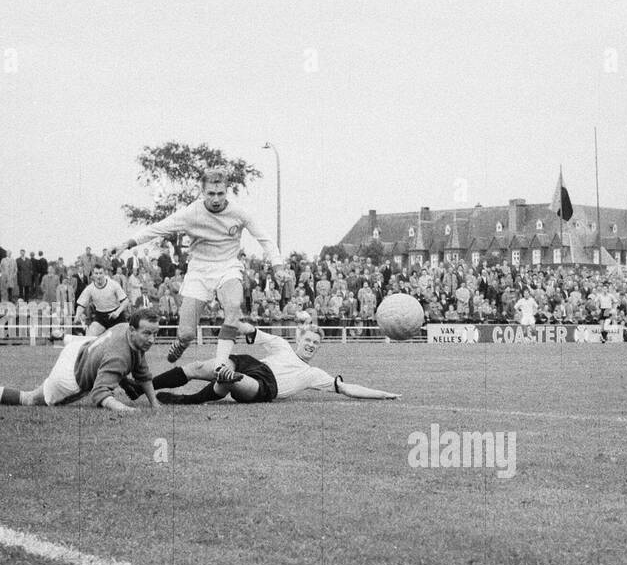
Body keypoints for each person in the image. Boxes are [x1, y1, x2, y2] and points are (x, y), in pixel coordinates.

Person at [107, 170, 281, 384]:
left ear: (226, 191)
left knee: (234, 307)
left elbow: (265, 239)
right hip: (199, 271)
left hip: (228, 266)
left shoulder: (239, 213)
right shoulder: (191, 213)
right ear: (202, 192)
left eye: (220, 193)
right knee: (187, 334)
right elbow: (158, 229)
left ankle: (220, 365)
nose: (216, 199)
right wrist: (128, 243)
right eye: (210, 194)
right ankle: (181, 342)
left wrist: (278, 265)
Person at [0, 308, 162, 412]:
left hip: (80, 348)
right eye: (147, 334)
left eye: (155, 334)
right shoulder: (120, 356)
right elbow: (99, 395)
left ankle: (62, 336)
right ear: (133, 330)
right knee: (29, 399)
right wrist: (127, 410)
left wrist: (155, 404)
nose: (152, 340)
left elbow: (143, 373)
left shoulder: (126, 329)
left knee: (93, 341)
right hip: (69, 375)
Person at [148, 320, 398, 405]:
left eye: (316, 343)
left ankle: (188, 399)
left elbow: (346, 388)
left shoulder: (312, 373)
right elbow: (250, 329)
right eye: (308, 340)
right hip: (250, 363)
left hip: (266, 386)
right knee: (200, 367)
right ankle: (141, 386)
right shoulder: (281, 345)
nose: (311, 345)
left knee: (232, 380)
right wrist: (234, 320)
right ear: (299, 338)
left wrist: (384, 394)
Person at [75, 262, 129, 336]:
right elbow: (81, 305)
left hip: (116, 316)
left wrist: (117, 312)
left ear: (104, 274)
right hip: (100, 317)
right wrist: (77, 316)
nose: (98, 276)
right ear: (93, 275)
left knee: (126, 336)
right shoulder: (89, 288)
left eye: (100, 273)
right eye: (96, 273)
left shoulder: (114, 284)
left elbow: (126, 301)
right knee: (90, 334)